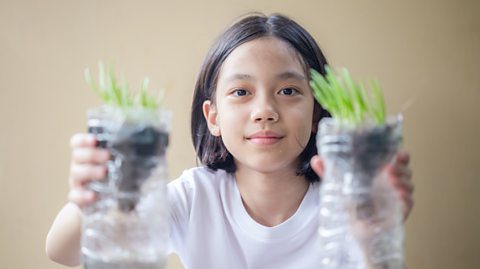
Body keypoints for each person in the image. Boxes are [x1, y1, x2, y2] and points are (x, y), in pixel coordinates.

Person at [46, 13, 414, 269]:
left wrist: (376, 237)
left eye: (288, 90)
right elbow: (62, 251)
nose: (264, 110)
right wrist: (94, 196)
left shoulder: (343, 203)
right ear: (213, 117)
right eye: (241, 91)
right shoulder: (194, 199)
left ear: (317, 112)